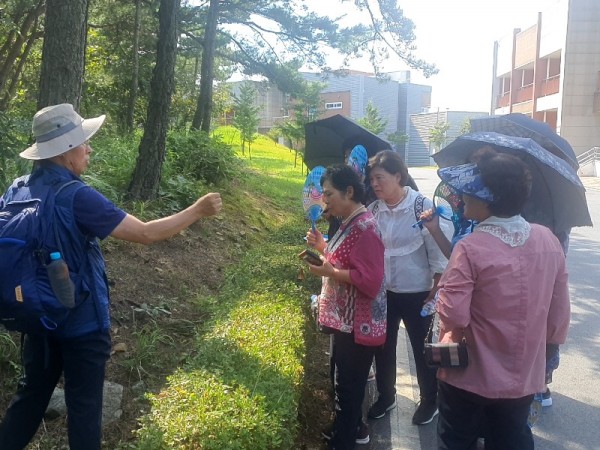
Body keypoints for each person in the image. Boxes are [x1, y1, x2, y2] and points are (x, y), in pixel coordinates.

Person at [0, 103, 222, 450]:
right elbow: (146, 233)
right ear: (65, 151)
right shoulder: (76, 195)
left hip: (37, 318)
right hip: (82, 325)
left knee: (29, 400)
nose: (89, 148)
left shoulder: (17, 189)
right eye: (83, 142)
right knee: (85, 410)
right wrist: (197, 210)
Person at [433, 150, 570, 450]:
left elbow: (454, 316)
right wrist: (544, 357)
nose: (463, 195)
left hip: (469, 373)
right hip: (522, 375)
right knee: (510, 438)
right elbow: (559, 315)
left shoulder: (470, 248)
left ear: (487, 198)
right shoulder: (548, 239)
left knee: (456, 439)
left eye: (471, 189)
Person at [365, 150, 451, 425]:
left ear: (398, 176)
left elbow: (437, 252)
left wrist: (436, 286)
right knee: (383, 347)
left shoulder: (420, 206)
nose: (375, 184)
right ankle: (386, 396)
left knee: (422, 349)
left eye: (380, 178)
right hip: (384, 293)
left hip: (418, 293)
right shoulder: (374, 210)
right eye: (372, 179)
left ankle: (430, 400)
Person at [305, 164, 386, 449]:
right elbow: (343, 258)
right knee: (342, 385)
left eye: (329, 194)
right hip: (345, 323)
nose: (325, 201)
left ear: (349, 191)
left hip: (356, 327)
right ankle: (344, 432)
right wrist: (321, 248)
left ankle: (345, 441)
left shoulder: (365, 227)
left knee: (349, 389)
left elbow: (371, 281)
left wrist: (330, 273)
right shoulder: (350, 222)